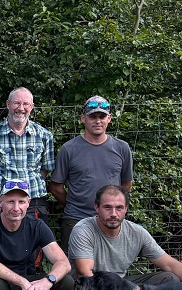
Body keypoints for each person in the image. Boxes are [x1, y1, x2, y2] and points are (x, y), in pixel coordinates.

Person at [50, 96, 133, 248]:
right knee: (73, 269)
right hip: (76, 219)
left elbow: (126, 184)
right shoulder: (69, 149)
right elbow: (56, 187)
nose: (98, 121)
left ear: (109, 118)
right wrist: (74, 204)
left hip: (110, 220)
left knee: (109, 269)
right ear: (83, 118)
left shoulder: (122, 148)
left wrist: (113, 207)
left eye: (102, 116)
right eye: (92, 116)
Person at [0, 87, 55, 219]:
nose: (21, 108)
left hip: (33, 203)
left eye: (26, 104)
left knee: (35, 240)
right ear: (8, 104)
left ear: (32, 107)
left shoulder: (45, 136)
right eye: (16, 103)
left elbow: (45, 169)